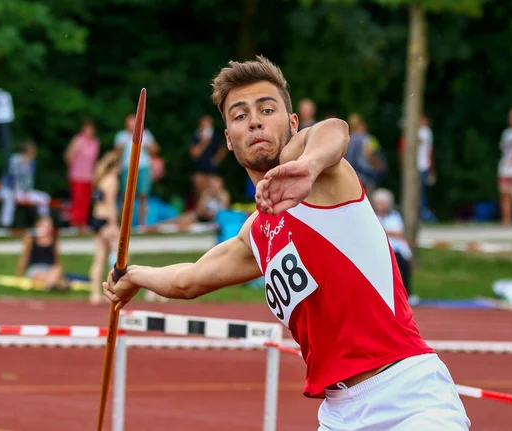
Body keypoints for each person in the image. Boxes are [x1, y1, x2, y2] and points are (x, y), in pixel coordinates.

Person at [103, 56, 470, 431]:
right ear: (228, 138)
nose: (255, 121)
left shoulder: (322, 173)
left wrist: (307, 167)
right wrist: (132, 275)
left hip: (408, 397)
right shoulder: (255, 234)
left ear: (293, 123)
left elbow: (334, 130)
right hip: (339, 413)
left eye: (267, 109)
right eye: (240, 115)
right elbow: (189, 280)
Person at [371, 188, 418, 306]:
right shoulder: (371, 216)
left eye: (382, 203)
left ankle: (407, 294)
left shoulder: (394, 215)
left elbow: (399, 232)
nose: (380, 206)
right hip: (379, 250)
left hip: (395, 249)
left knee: (404, 266)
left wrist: (383, 231)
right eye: (378, 203)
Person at [114, 114, 159, 226]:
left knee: (143, 195)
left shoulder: (146, 133)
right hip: (127, 167)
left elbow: (155, 149)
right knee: (126, 196)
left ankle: (142, 222)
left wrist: (147, 146)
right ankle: (123, 222)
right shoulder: (121, 136)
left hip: (143, 167)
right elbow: (115, 153)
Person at [88, 152, 120, 305]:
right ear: (115, 166)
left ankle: (94, 293)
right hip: (106, 220)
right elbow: (110, 204)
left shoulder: (101, 180)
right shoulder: (112, 181)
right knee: (120, 255)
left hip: (96, 219)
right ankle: (114, 289)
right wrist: (114, 224)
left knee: (100, 257)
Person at [0, 140, 51, 227]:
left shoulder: (31, 163)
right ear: (26, 151)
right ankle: (5, 226)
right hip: (8, 190)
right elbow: (12, 178)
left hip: (24, 192)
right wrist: (17, 192)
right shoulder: (14, 160)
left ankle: (44, 224)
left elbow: (30, 181)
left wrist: (27, 192)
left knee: (44, 198)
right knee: (10, 199)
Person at [64, 120, 100, 228]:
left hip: (89, 176)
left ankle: (83, 223)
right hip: (77, 175)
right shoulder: (78, 140)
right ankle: (74, 222)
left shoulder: (95, 143)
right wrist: (73, 166)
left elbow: (95, 160)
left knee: (86, 201)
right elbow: (68, 155)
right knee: (77, 200)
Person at [16, 215, 67, 291]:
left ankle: (52, 284)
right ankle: (55, 284)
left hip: (50, 269)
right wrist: (19, 276)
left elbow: (57, 259)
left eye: (49, 226)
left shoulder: (54, 239)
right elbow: (25, 257)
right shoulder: (31, 238)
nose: (48, 228)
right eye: (45, 226)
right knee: (42, 276)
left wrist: (61, 274)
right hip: (36, 270)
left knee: (56, 269)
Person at [345, 113, 387, 197]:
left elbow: (380, 165)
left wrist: (371, 156)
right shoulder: (368, 139)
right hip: (360, 178)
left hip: (358, 178)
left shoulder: (368, 140)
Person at [189, 114, 227, 200]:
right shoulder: (196, 137)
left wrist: (217, 159)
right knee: (199, 194)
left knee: (217, 190)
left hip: (213, 173)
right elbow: (194, 154)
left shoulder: (215, 137)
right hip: (199, 172)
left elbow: (223, 149)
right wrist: (204, 142)